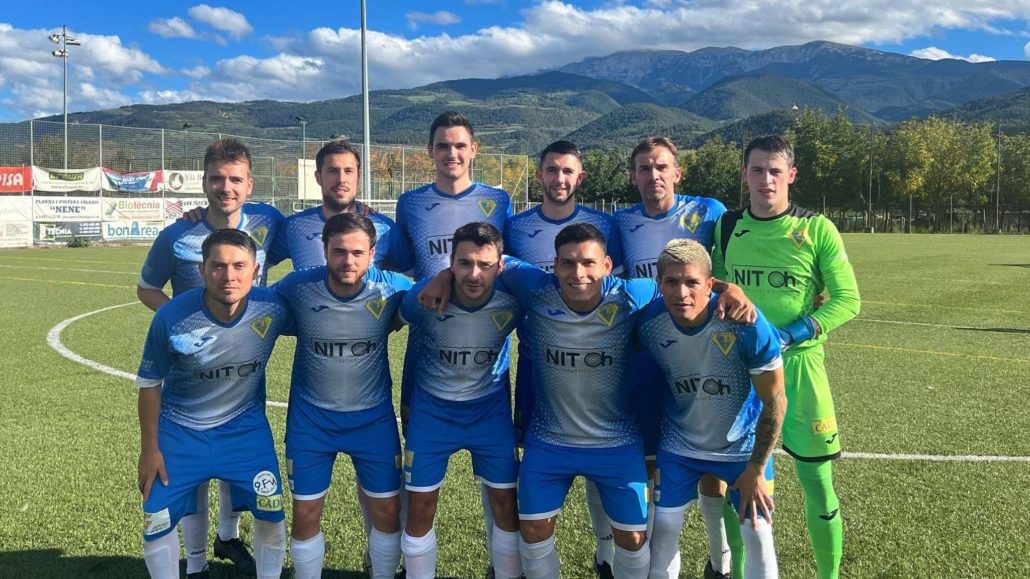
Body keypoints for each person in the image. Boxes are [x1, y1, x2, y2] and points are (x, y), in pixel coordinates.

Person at [712, 135, 860, 579]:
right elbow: (718, 286)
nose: (766, 180)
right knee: (741, 487)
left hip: (801, 370)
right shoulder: (727, 226)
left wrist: (786, 336)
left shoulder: (817, 229)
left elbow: (848, 300)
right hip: (741, 372)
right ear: (745, 174)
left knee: (818, 482)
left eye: (775, 171)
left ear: (791, 175)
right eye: (757, 170)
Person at [136, 137, 284, 577]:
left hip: (243, 366)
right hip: (188, 369)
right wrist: (182, 323)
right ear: (203, 183)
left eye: (235, 179)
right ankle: (197, 563)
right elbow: (146, 288)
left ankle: (228, 534)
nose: (226, 187)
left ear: (249, 183)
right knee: (191, 477)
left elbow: (321, 234)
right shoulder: (177, 234)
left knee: (235, 458)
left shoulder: (269, 221)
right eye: (216, 178)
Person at [613, 136, 742, 579]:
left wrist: (730, 288)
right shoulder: (622, 221)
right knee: (651, 458)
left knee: (711, 461)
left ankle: (720, 562)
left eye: (661, 167)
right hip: (647, 350)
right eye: (645, 168)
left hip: (703, 349)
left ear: (677, 172)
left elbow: (722, 268)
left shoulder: (708, 211)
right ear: (634, 176)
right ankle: (650, 559)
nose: (654, 175)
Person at [394, 110, 512, 577]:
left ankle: (502, 565)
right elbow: (401, 265)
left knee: (499, 481)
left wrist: (452, 273)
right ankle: (403, 559)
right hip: (428, 349)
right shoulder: (410, 203)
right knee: (419, 471)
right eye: (443, 145)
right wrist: (441, 278)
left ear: (474, 150)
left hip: (486, 353)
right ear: (430, 151)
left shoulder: (498, 200)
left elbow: (504, 260)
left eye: (460, 145)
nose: (452, 153)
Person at [503, 139, 624, 577]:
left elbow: (618, 287)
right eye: (552, 170)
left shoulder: (604, 224)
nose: (559, 178)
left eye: (567, 171)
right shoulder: (515, 225)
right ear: (539, 174)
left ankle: (606, 552)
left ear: (580, 177)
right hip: (538, 361)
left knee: (600, 454)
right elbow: (493, 267)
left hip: (599, 362)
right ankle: (511, 559)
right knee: (528, 459)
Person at [273, 213, 412, 579]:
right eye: (338, 251)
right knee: (305, 513)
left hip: (372, 420)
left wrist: (443, 278)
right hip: (311, 421)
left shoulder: (394, 288)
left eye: (357, 252)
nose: (348, 261)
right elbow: (256, 307)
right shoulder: (298, 287)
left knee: (388, 512)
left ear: (372, 253)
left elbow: (430, 295)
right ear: (324, 250)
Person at [638, 239, 786, 579]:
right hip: (679, 446)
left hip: (742, 449)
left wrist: (756, 468)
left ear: (710, 285)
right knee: (663, 533)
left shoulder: (746, 323)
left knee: (758, 534)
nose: (682, 293)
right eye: (672, 282)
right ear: (659, 284)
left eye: (692, 282)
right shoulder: (648, 324)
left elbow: (775, 402)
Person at [398, 222, 523, 579]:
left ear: (500, 266)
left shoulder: (514, 298)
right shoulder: (424, 298)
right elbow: (392, 321)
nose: (474, 274)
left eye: (485, 265)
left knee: (505, 505)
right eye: (464, 263)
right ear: (451, 263)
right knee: (420, 506)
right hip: (433, 413)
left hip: (489, 413)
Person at [267, 139, 410, 272]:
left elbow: (408, 272)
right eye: (333, 171)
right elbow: (260, 263)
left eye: (348, 171)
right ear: (318, 177)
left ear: (358, 177)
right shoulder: (294, 226)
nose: (341, 179)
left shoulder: (384, 227)